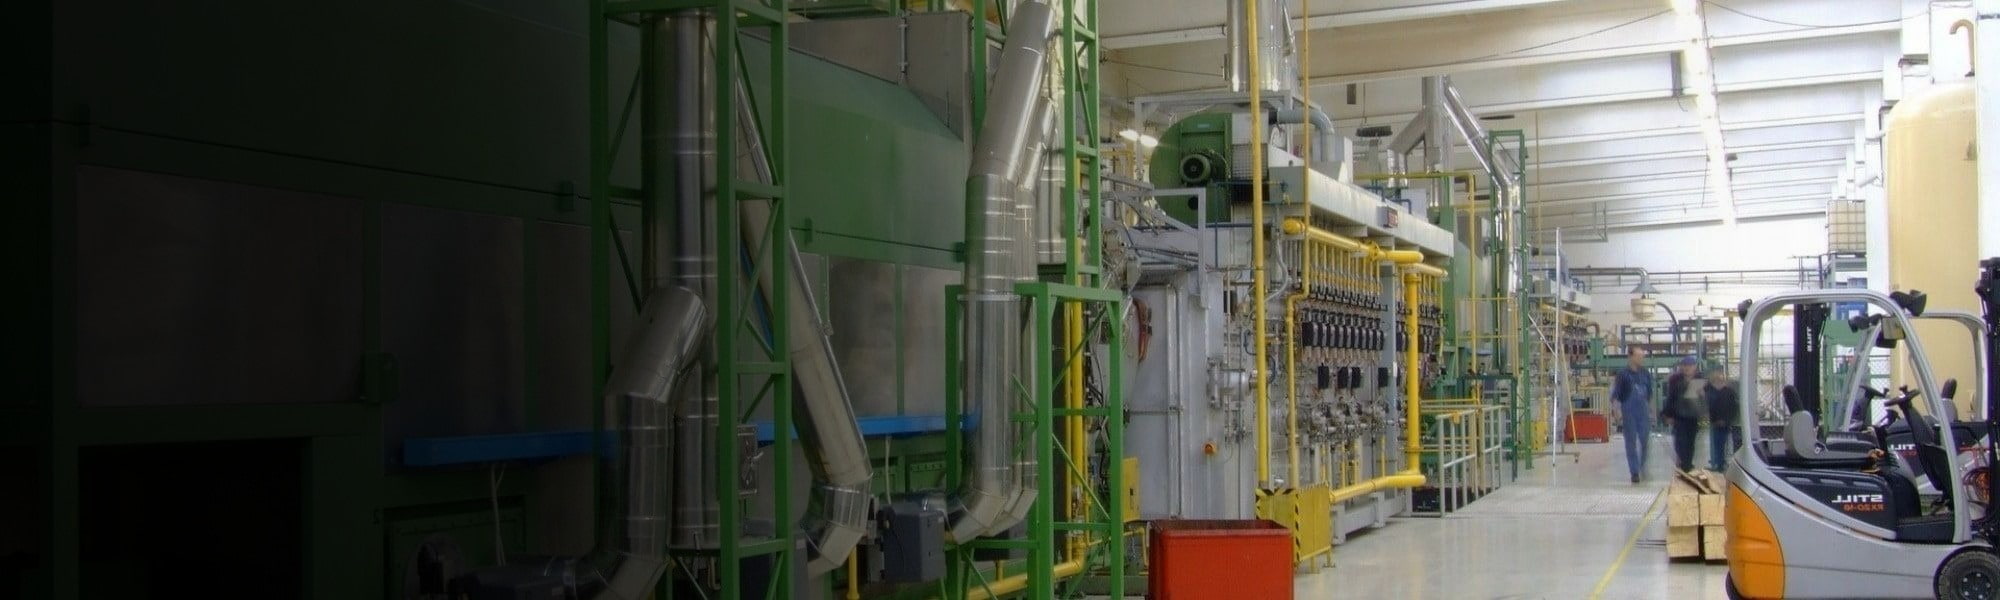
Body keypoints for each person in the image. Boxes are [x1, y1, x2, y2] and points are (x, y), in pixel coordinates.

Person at [1610, 348, 1654, 483]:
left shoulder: (1646, 374)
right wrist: (1616, 411)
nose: (1641, 359)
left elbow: (1650, 395)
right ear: (1631, 357)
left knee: (1645, 441)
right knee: (1630, 443)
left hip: (1643, 412)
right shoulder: (1623, 375)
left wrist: (1652, 411)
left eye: (1643, 356)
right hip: (1629, 413)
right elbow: (1616, 395)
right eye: (1639, 356)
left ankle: (1642, 466)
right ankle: (1634, 472)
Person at [1660, 356, 1702, 472]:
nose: (1687, 368)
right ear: (1681, 367)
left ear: (1695, 367)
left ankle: (1687, 464)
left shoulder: (1699, 379)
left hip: (1693, 417)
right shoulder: (1675, 380)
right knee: (1680, 441)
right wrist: (1667, 415)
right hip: (1679, 417)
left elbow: (1703, 400)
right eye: (1685, 365)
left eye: (1690, 365)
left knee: (1690, 443)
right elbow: (1671, 398)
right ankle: (1685, 465)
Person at [1705, 367, 1742, 471]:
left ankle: (1720, 465)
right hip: (1717, 421)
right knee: (1718, 444)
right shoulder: (1715, 391)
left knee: (1720, 444)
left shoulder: (1727, 392)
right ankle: (1718, 463)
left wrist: (1725, 420)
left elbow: (1730, 408)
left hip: (1723, 422)